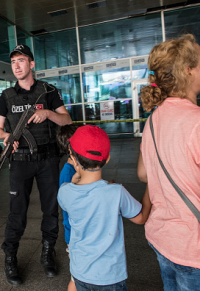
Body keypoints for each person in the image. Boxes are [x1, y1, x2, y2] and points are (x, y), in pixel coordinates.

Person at [0, 44, 72, 286]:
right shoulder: (7, 96)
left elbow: (67, 120)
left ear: (32, 64)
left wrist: (48, 113)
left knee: (50, 209)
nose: (16, 66)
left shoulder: (48, 91)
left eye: (21, 60)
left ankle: (48, 252)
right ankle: (10, 257)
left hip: (48, 159)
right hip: (19, 161)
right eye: (13, 62)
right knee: (17, 212)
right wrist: (6, 137)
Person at [137, 34, 200, 291]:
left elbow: (143, 174)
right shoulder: (196, 122)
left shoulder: (152, 120)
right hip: (192, 247)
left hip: (162, 239)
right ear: (188, 71)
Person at [58, 125, 151, 291]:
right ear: (107, 159)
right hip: (110, 277)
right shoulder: (116, 193)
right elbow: (141, 217)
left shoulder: (64, 191)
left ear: (72, 156)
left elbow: (76, 197)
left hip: (80, 272)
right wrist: (152, 185)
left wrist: (74, 181)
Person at [56, 124, 79, 291]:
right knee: (77, 279)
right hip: (75, 236)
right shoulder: (67, 174)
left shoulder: (78, 168)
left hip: (81, 234)